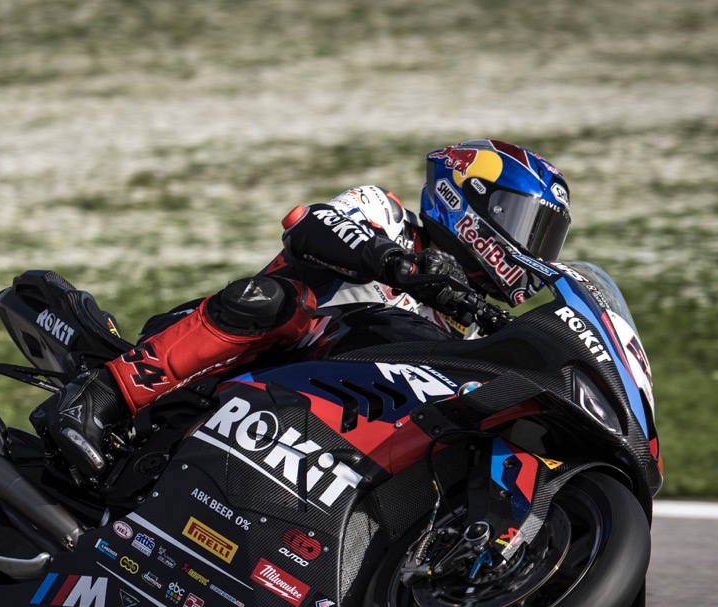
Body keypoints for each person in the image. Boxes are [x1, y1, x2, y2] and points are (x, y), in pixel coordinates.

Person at [36, 138, 573, 478]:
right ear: (468, 199)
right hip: (236, 356)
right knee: (282, 302)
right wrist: (397, 265)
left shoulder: (465, 330)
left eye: (545, 235)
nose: (533, 247)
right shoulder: (383, 213)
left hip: (312, 428)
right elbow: (310, 226)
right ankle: (100, 394)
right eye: (527, 223)